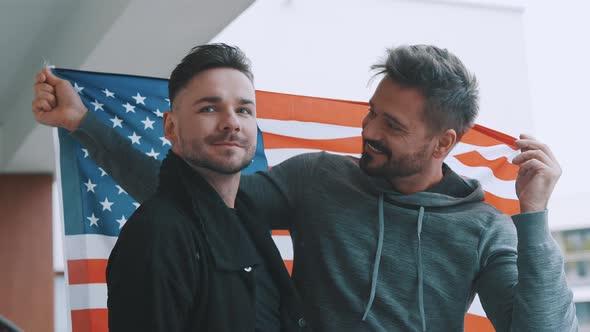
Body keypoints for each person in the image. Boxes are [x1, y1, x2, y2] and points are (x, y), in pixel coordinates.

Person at [33, 44, 577, 331]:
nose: (368, 132)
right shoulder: (318, 178)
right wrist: (86, 125)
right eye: (372, 114)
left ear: (443, 144)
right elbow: (198, 199)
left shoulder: (483, 228)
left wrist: (532, 217)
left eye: (393, 126)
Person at [33, 44, 310, 331]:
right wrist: (81, 122)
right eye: (209, 108)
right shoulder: (156, 235)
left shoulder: (245, 218)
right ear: (170, 127)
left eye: (243, 110)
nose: (231, 123)